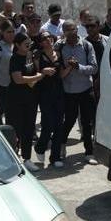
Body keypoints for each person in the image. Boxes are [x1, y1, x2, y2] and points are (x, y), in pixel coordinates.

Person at [58, 22, 99, 164]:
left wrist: (79, 67)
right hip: (69, 91)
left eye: (73, 29)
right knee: (69, 120)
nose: (70, 32)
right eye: (67, 30)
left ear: (76, 29)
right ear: (63, 32)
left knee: (87, 122)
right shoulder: (60, 47)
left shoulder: (87, 46)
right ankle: (62, 145)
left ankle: (89, 152)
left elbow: (94, 68)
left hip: (86, 89)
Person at [6, 32, 45, 172]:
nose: (28, 44)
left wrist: (37, 72)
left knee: (29, 129)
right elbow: (18, 79)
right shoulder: (14, 59)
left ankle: (27, 158)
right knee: (16, 130)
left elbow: (34, 72)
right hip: (16, 100)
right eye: (25, 42)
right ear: (17, 45)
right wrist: (37, 77)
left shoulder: (30, 57)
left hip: (31, 99)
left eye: (29, 42)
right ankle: (13, 158)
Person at [33, 32, 66, 168]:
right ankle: (40, 147)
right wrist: (43, 71)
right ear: (41, 43)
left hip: (58, 92)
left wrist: (70, 66)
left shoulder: (58, 53)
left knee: (59, 124)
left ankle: (55, 157)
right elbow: (34, 74)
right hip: (44, 93)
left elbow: (62, 74)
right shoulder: (37, 55)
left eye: (49, 37)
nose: (48, 39)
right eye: (44, 38)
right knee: (48, 125)